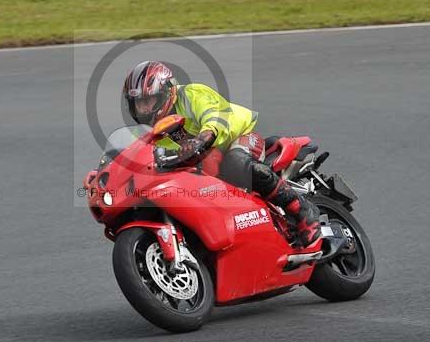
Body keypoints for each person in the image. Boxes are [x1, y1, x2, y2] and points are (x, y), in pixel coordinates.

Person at [122, 60, 320, 248]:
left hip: (236, 138)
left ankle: (303, 212)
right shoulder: (146, 131)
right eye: (139, 104)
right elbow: (137, 156)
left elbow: (214, 116)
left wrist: (202, 138)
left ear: (167, 92)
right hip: (204, 163)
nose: (145, 109)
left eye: (149, 101)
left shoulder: (192, 95)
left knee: (235, 162)